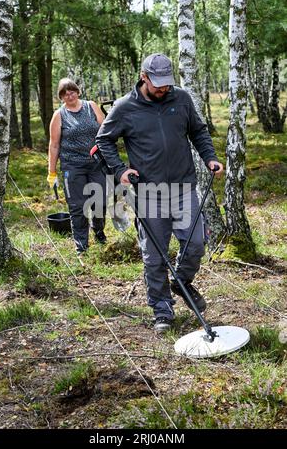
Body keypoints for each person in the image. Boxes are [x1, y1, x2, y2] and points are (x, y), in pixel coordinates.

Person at [96, 53, 223, 333]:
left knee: (196, 244)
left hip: (183, 186)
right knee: (154, 256)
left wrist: (209, 157)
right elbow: (103, 140)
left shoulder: (181, 99)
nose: (163, 89)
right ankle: (162, 311)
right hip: (149, 192)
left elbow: (198, 132)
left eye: (167, 83)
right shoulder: (124, 107)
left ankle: (180, 280)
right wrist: (120, 170)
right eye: (157, 84)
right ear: (143, 77)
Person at [47, 78, 107, 256]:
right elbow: (54, 145)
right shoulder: (59, 115)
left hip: (97, 163)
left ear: (77, 91)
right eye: (65, 93)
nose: (69, 94)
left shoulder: (91, 106)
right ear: (61, 97)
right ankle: (81, 245)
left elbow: (104, 131)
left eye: (72, 90)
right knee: (77, 206)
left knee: (100, 202)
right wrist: (52, 172)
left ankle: (98, 231)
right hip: (72, 166)